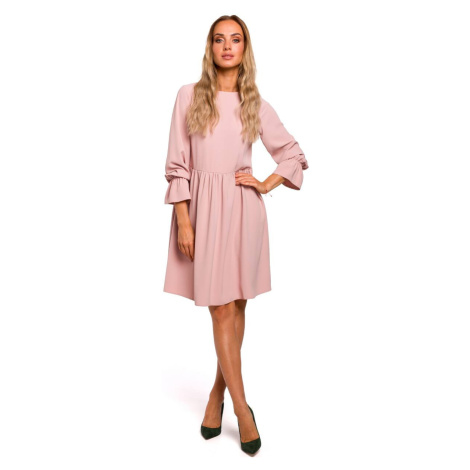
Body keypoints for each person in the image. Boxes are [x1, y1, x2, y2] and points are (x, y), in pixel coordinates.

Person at [163, 15, 309, 455]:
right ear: (210, 47)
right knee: (220, 309)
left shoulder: (254, 103)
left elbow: (292, 153)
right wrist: (184, 219)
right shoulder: (188, 95)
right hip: (203, 211)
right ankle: (242, 410)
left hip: (244, 212)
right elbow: (177, 162)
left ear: (245, 48)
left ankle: (217, 394)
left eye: (236, 39)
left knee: (236, 305)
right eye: (219, 39)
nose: (227, 46)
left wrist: (266, 183)